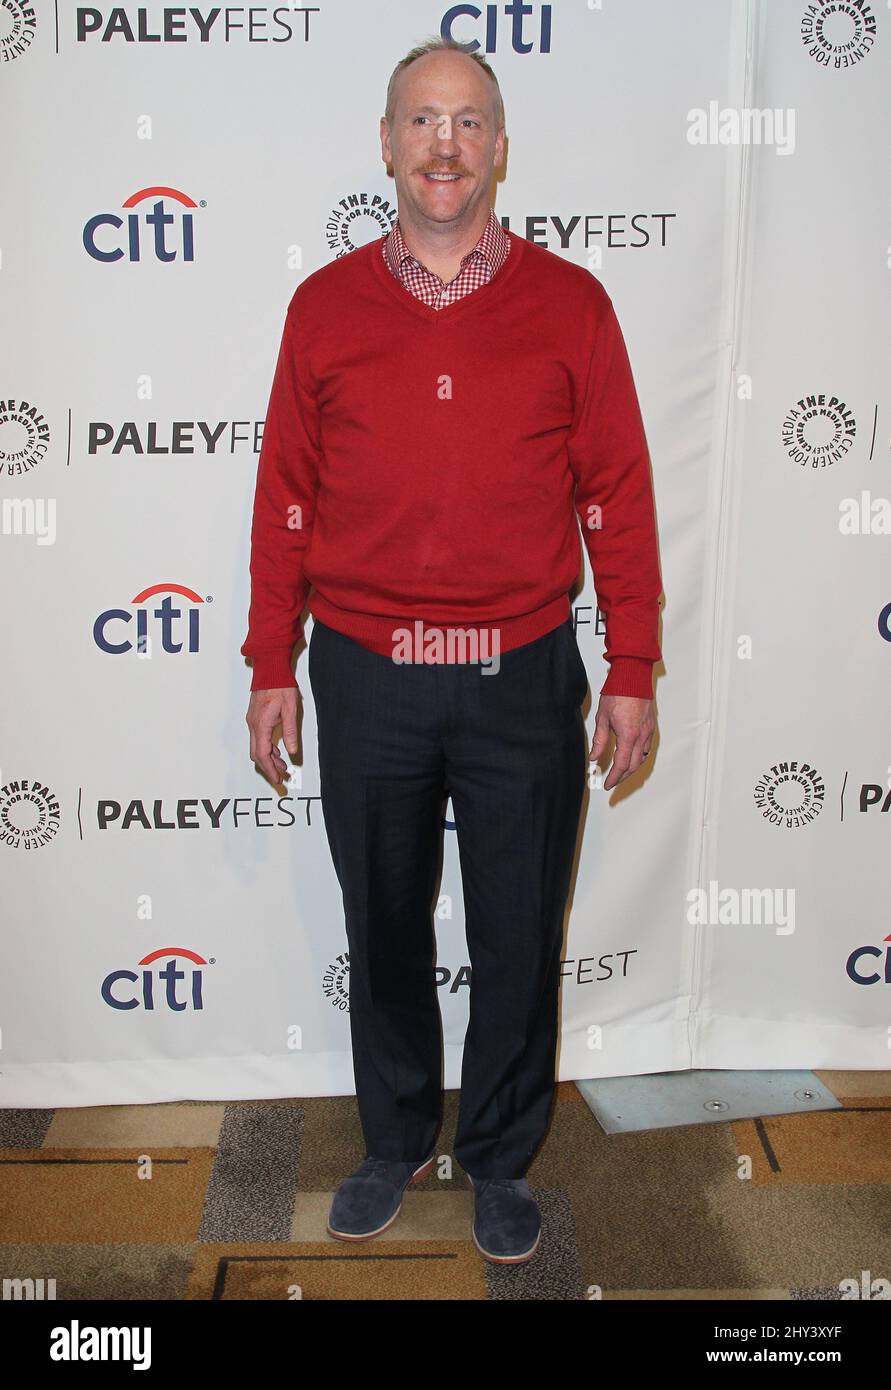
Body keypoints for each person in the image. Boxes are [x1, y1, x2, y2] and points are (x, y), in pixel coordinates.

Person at [241, 35, 663, 1265]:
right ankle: (390, 1141)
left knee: (519, 931)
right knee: (383, 924)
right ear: (385, 142)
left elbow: (618, 494)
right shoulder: (321, 308)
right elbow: (286, 495)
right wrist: (274, 656)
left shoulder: (573, 305)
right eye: (422, 120)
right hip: (365, 675)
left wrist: (630, 662)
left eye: (469, 121)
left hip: (520, 670)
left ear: (498, 148)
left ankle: (498, 1156)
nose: (444, 144)